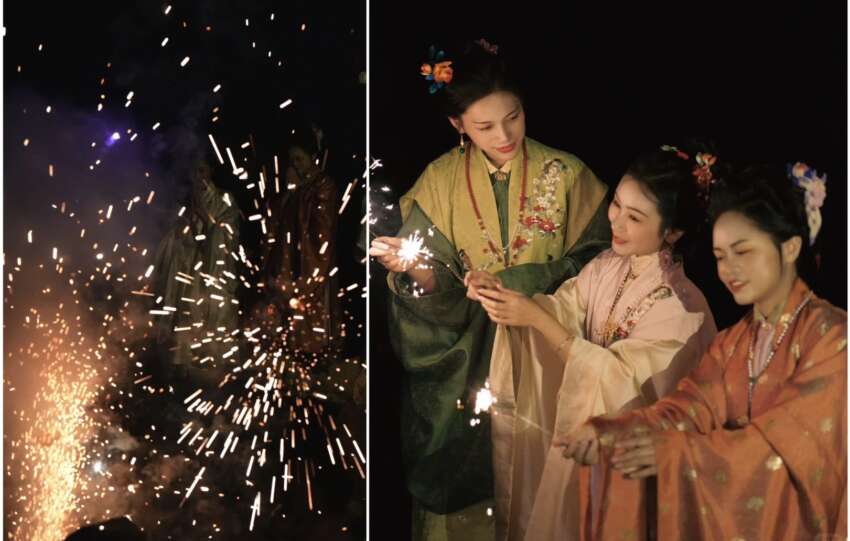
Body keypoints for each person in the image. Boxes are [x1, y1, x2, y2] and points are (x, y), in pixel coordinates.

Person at [369, 39, 611, 540]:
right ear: (457, 126)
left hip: (548, 358)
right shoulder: (436, 182)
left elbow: (601, 262)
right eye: (483, 127)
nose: (504, 136)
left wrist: (519, 283)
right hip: (467, 371)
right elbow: (433, 285)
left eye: (513, 118)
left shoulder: (568, 175)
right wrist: (413, 270)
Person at [558, 163, 846, 540]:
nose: (729, 269)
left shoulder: (834, 339)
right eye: (721, 255)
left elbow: (786, 445)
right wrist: (611, 434)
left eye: (743, 251)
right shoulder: (733, 344)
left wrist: (679, 453)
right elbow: (685, 410)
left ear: (790, 247)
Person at [479, 145, 718, 540]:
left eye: (635, 216)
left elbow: (622, 383)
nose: (617, 222)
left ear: (672, 231)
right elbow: (563, 310)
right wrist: (506, 301)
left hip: (633, 468)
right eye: (617, 205)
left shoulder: (682, 310)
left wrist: (535, 318)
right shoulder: (606, 265)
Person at [152, 157, 241, 380]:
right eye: (194, 171)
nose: (198, 176)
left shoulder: (223, 197)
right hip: (188, 271)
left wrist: (205, 216)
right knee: (186, 320)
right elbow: (175, 238)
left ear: (210, 170)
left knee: (210, 317)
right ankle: (184, 375)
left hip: (212, 273)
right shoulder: (187, 201)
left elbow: (227, 233)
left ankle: (216, 375)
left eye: (202, 169)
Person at [268, 128, 340, 356]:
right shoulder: (298, 187)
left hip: (315, 263)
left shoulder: (324, 185)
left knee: (313, 315)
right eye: (292, 161)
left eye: (299, 159)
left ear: (312, 157)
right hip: (292, 263)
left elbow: (322, 231)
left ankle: (316, 360)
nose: (296, 165)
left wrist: (311, 275)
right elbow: (279, 224)